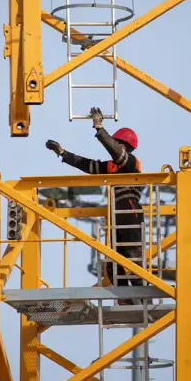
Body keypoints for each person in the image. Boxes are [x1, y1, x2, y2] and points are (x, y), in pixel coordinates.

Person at [46, 107, 143, 295]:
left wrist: (99, 128)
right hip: (117, 218)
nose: (114, 145)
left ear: (124, 145)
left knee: (133, 264)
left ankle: (142, 298)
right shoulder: (112, 166)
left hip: (130, 214)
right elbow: (87, 165)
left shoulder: (131, 162)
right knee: (112, 265)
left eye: (116, 143)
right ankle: (125, 299)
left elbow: (115, 152)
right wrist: (63, 153)